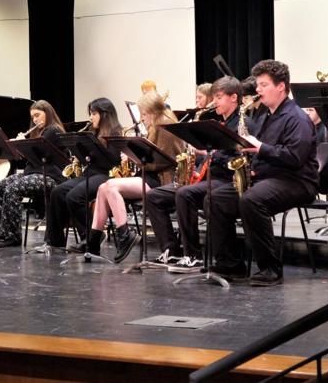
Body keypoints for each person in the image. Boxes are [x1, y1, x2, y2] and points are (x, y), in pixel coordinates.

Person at [206, 59, 318, 286]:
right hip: (270, 177)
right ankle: (230, 265)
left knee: (252, 200)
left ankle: (270, 269)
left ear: (281, 86)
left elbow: (294, 158)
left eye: (264, 85)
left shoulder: (297, 118)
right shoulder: (267, 115)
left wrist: (260, 148)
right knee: (215, 198)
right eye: (258, 84)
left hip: (297, 181)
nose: (257, 90)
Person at [146, 76, 256, 273]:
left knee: (186, 194)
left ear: (233, 98)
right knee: (155, 196)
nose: (215, 102)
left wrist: (212, 154)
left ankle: (193, 255)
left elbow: (240, 157)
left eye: (219, 97)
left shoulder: (243, 123)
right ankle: (172, 250)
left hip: (226, 179)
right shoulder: (218, 123)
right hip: (208, 177)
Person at [82, 92, 184, 262]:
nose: (141, 118)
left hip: (161, 179)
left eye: (143, 113)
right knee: (103, 187)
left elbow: (163, 162)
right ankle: (93, 244)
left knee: (111, 186)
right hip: (149, 175)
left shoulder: (164, 126)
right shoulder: (155, 125)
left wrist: (134, 157)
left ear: (153, 111)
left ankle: (125, 235)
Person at [0, 100, 67, 247]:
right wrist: (16, 147)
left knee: (13, 189)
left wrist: (21, 144)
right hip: (32, 173)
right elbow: (30, 158)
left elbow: (39, 155)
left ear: (48, 113)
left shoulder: (53, 130)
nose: (35, 120)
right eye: (33, 117)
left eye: (37, 115)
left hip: (49, 176)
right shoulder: (40, 132)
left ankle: (12, 236)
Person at [43, 98, 123, 249]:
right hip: (91, 173)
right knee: (57, 192)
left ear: (104, 114)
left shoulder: (115, 132)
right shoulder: (94, 132)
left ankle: (92, 236)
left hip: (107, 175)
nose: (90, 117)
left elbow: (113, 161)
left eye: (93, 113)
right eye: (90, 114)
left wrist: (95, 147)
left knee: (74, 197)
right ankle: (54, 242)